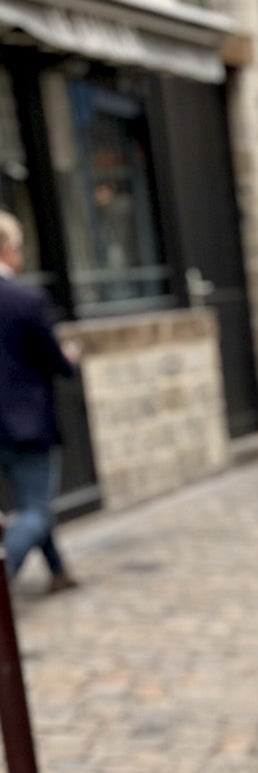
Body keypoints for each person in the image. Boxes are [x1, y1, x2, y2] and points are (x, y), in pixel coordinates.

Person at [0, 211, 80, 594]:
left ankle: (58, 571)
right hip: (27, 423)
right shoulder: (26, 300)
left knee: (36, 503)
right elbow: (55, 360)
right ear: (8, 249)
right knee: (37, 509)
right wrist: (69, 358)